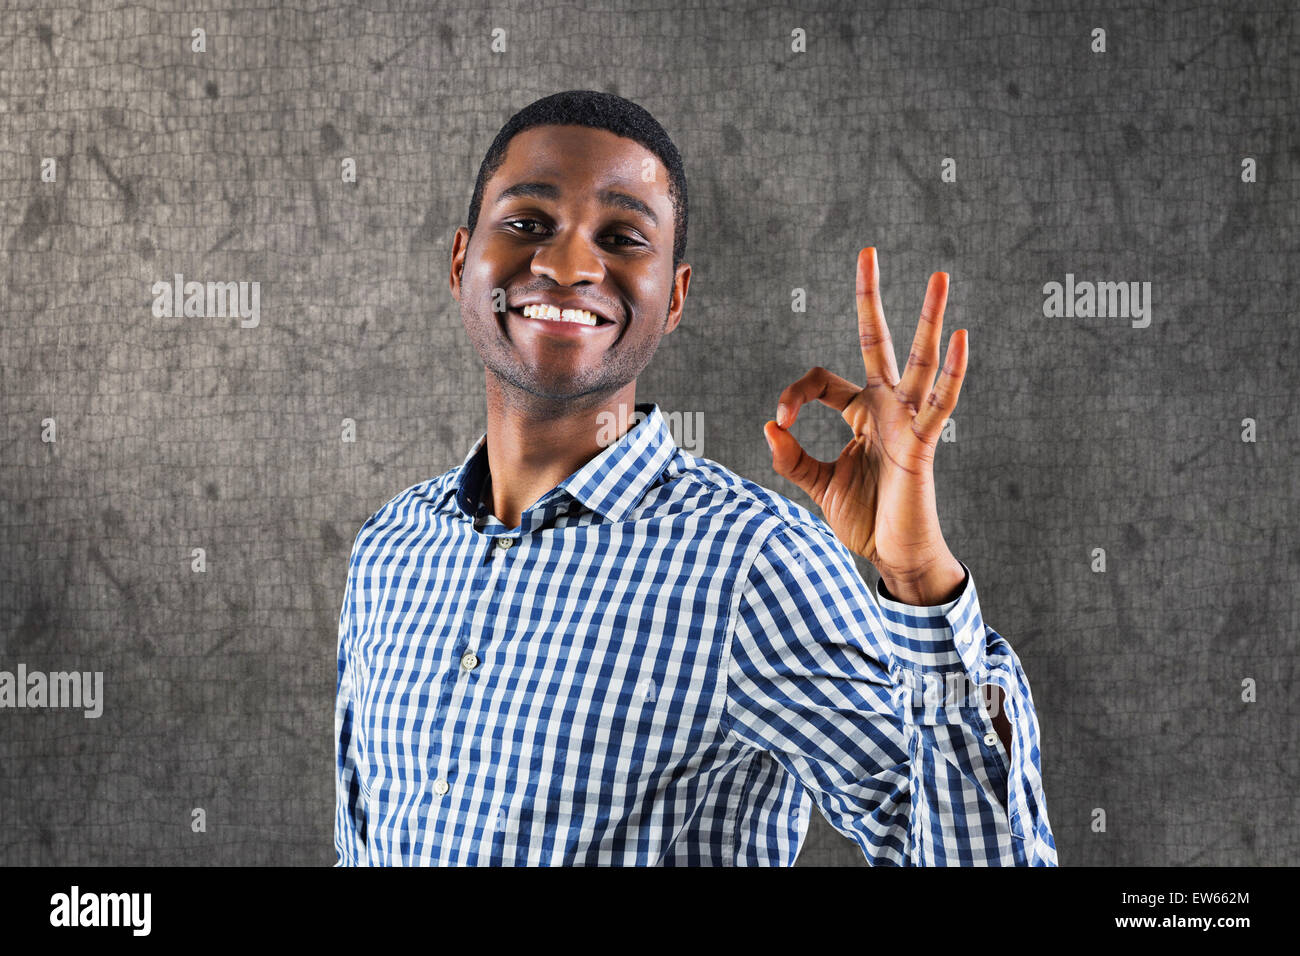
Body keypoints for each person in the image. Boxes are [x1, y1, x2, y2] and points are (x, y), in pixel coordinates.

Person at [334, 90, 1057, 866]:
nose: (570, 264)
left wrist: (918, 580)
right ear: (459, 261)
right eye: (527, 224)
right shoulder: (390, 551)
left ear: (674, 298)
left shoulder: (755, 565)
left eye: (621, 236)